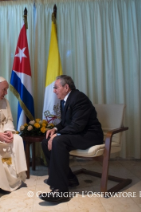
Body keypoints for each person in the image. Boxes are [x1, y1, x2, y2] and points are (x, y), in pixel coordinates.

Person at [39, 75, 103, 203]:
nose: (54, 90)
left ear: (66, 87)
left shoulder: (79, 98)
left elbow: (77, 125)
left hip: (90, 135)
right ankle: (69, 178)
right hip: (78, 133)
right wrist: (55, 130)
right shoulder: (65, 99)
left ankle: (60, 190)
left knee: (58, 141)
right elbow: (65, 123)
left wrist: (57, 136)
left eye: (56, 87)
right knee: (46, 142)